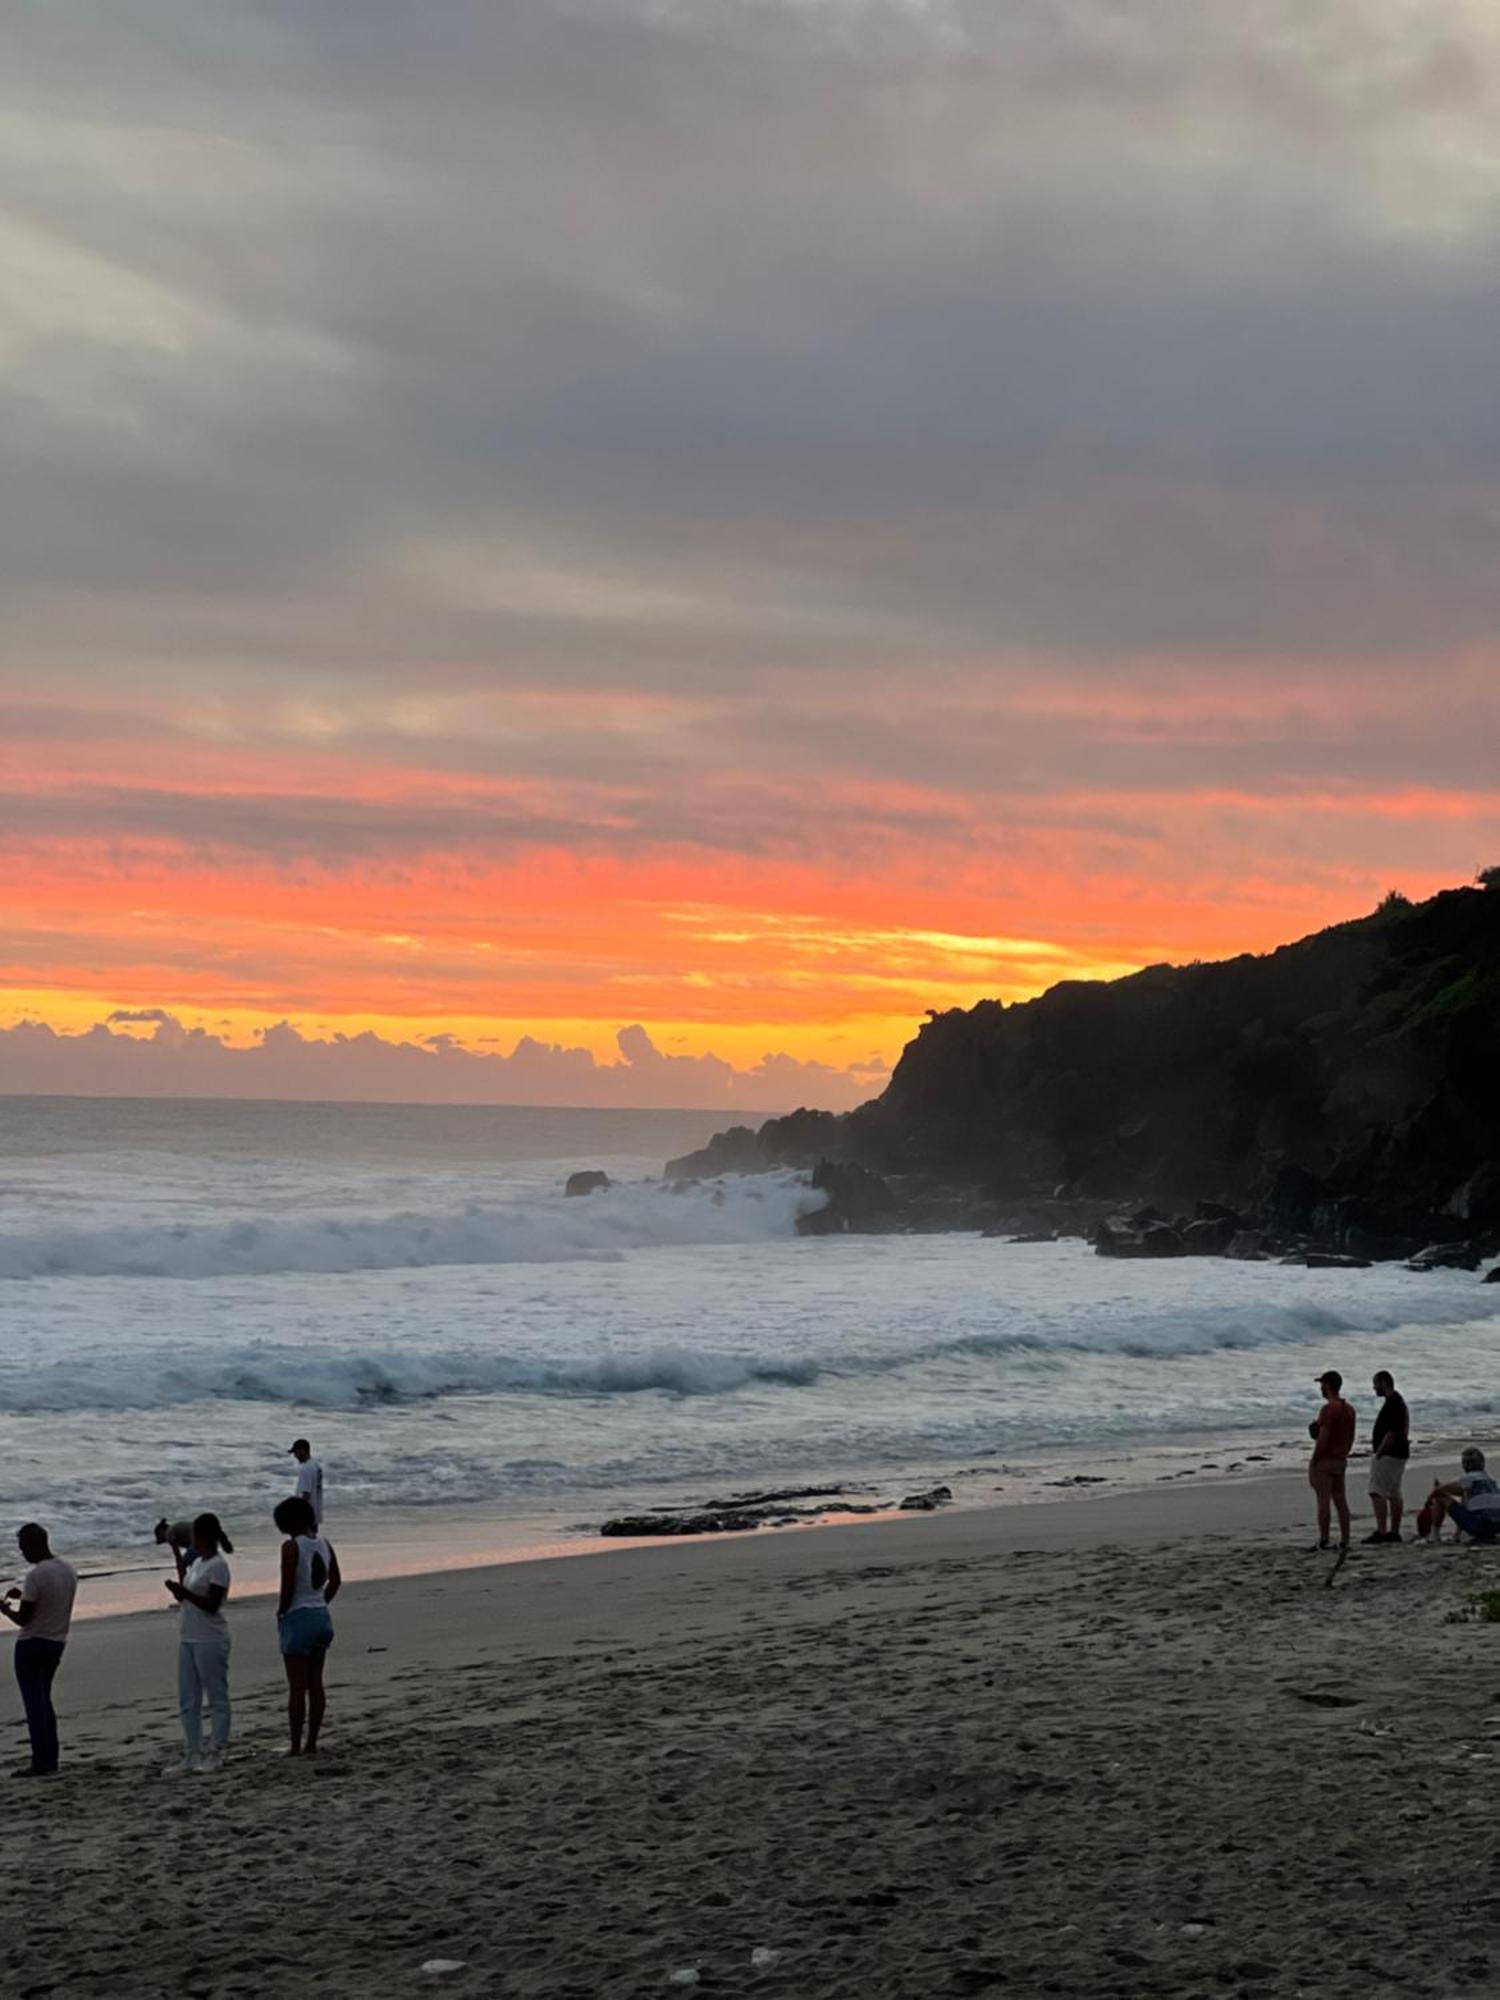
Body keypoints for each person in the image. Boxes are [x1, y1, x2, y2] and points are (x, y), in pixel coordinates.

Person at [1, 1523, 78, 1776]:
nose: (23, 1554)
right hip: (56, 1641)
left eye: (24, 1548)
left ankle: (40, 1761)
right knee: (44, 1701)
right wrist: (23, 1595)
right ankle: (50, 1757)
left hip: (31, 1643)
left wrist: (5, 1609)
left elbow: (24, 1619)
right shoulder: (67, 1570)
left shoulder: (35, 1575)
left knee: (34, 1705)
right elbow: (47, 1602)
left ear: (34, 1545)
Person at [163, 1513, 234, 1774]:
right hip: (189, 1636)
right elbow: (187, 1584)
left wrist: (186, 1595)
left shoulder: (218, 1566)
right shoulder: (197, 1564)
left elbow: (212, 1604)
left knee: (216, 1696)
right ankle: (192, 1752)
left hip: (210, 1638)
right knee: (188, 1698)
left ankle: (216, 1751)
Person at [274, 1495, 340, 1757]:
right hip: (321, 1617)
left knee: (296, 1688)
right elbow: (335, 1581)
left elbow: (287, 1585)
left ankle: (294, 1745)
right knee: (316, 1683)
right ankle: (311, 1742)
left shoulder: (291, 1547)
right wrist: (320, 1602)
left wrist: (281, 1611)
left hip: (298, 1617)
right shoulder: (325, 1543)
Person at [1308, 1369, 1356, 1551]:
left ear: (1327, 1386)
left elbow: (1323, 1438)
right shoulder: (1349, 1409)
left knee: (1323, 1501)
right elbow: (1350, 1436)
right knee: (1341, 1501)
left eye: (1322, 1384)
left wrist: (1315, 1459)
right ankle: (1345, 1540)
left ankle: (1324, 1539)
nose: (1321, 1388)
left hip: (1326, 1459)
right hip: (1340, 1458)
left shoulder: (1328, 1410)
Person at [1364, 1370, 1411, 1544]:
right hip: (1400, 1452)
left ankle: (1382, 1531)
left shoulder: (1393, 1404)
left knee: (1377, 1491)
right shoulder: (1399, 1402)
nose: (1374, 1388)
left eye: (1375, 1383)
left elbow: (1391, 1432)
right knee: (1393, 1491)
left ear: (1383, 1383)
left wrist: (1379, 1452)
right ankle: (1394, 1531)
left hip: (1389, 1453)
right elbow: (1404, 1424)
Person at [1420, 1448, 1500, 1543]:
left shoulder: (1468, 1478)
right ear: (1483, 1463)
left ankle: (1434, 1535)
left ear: (1464, 1465)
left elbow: (1439, 1490)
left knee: (1440, 1496)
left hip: (1479, 1525)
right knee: (1467, 1497)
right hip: (1496, 1526)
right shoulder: (1491, 1482)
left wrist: (1430, 1497)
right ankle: (1457, 1535)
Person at [288, 1439, 325, 1527]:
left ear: (302, 1451)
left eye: (296, 1452)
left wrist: (297, 1514)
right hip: (315, 1513)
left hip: (306, 1516)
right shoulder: (316, 1466)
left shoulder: (306, 1469)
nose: (295, 1456)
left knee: (302, 1540)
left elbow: (306, 1495)